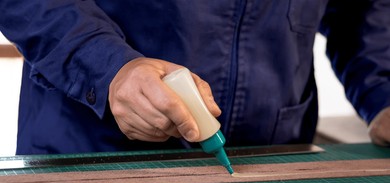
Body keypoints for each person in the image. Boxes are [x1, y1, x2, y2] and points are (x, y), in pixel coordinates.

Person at [0, 0, 389, 155]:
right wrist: (106, 66)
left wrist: (382, 94)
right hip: (92, 148)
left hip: (274, 158)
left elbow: (363, 8)